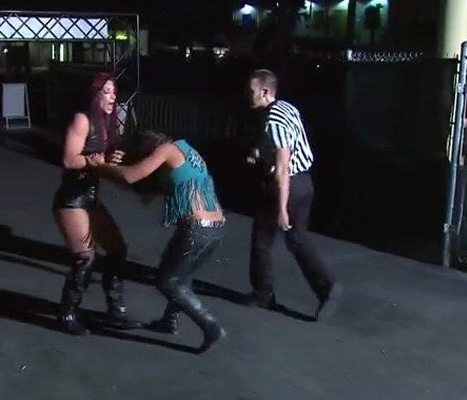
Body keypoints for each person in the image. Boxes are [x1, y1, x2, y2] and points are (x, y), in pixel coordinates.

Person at [90, 131, 227, 353]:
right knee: (183, 276)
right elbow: (144, 191)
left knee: (168, 282)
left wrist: (101, 166)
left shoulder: (166, 150)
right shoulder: (185, 151)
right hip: (216, 226)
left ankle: (210, 326)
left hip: (197, 228)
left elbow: (130, 176)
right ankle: (169, 321)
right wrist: (118, 167)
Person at [245, 69, 343, 321]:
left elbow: (282, 167)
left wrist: (282, 207)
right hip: (305, 183)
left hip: (286, 185)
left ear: (264, 91)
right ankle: (328, 286)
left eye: (252, 90)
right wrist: (259, 151)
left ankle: (263, 294)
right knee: (298, 238)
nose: (248, 94)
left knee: (262, 240)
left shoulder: (273, 121)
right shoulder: (287, 108)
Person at [52, 72, 142, 335]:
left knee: (117, 250)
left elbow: (102, 161)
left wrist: (112, 161)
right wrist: (93, 161)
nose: (113, 97)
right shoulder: (83, 120)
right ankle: (67, 314)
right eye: (107, 92)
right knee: (85, 258)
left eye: (114, 92)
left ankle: (116, 311)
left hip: (90, 196)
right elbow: (69, 159)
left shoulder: (107, 123)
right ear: (95, 95)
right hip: (71, 199)